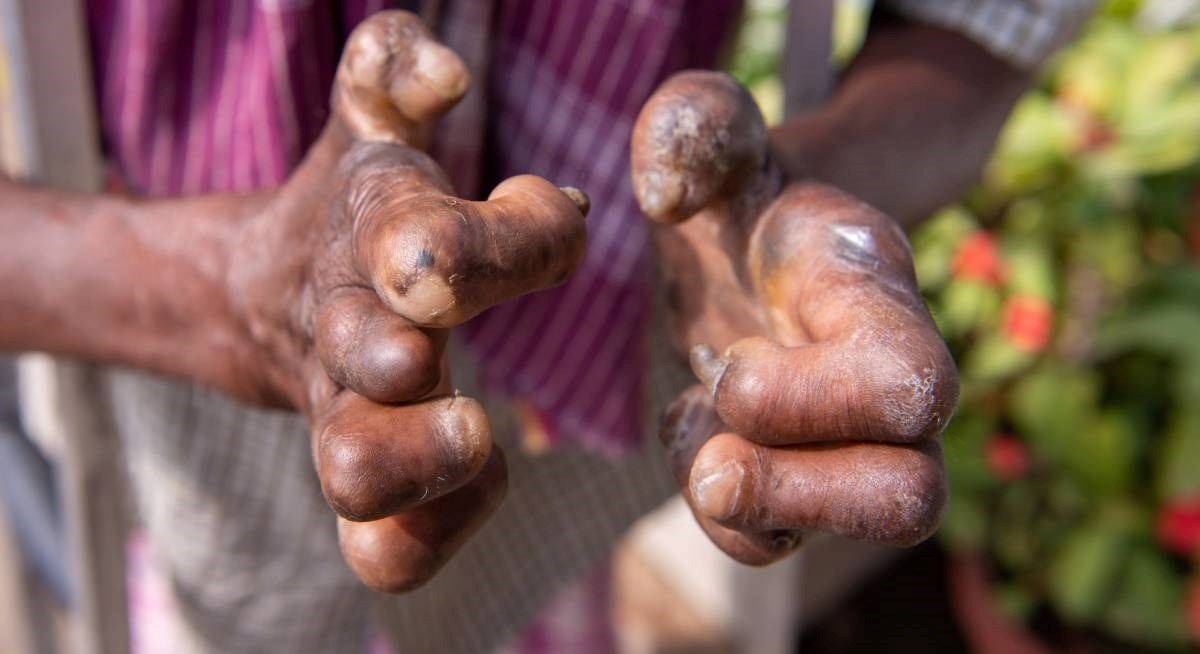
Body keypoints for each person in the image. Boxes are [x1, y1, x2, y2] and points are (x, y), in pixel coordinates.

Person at [0, 1, 1093, 652]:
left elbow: (978, 24)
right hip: (183, 235)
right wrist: (221, 292)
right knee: (241, 611)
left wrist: (800, 183)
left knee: (519, 596)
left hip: (596, 308)